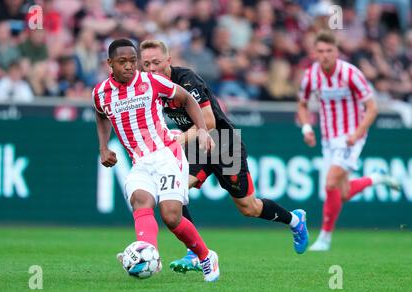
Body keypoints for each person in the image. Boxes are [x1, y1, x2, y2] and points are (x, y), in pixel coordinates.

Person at [139, 39, 309, 274]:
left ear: (169, 60)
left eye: (156, 62)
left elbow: (208, 121)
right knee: (174, 189)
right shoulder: (147, 86)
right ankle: (195, 253)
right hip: (193, 145)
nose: (151, 69)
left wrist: (177, 139)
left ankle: (295, 221)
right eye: (146, 64)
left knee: (249, 207)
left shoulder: (187, 80)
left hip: (222, 141)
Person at [92, 39, 219, 282]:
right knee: (141, 201)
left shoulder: (150, 81)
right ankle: (149, 254)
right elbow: (101, 115)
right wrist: (103, 147)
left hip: (167, 155)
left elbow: (187, 99)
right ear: (110, 63)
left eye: (132, 61)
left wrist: (202, 129)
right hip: (140, 162)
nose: (129, 66)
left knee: (171, 217)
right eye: (122, 62)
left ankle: (205, 256)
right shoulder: (100, 93)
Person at [297, 30, 401, 251]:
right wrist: (306, 128)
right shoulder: (311, 76)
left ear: (337, 52)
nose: (325, 55)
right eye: (320, 51)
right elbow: (302, 104)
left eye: (329, 51)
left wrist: (357, 133)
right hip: (328, 138)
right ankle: (376, 179)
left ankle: (324, 238)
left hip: (351, 136)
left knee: (330, 183)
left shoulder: (351, 74)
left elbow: (372, 108)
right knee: (341, 192)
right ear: (315, 53)